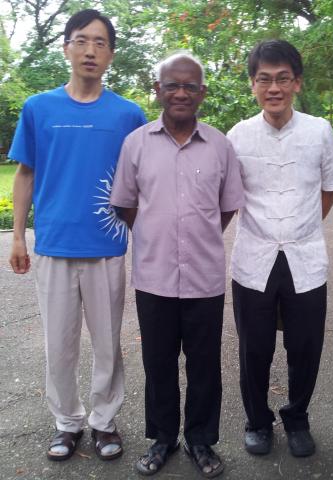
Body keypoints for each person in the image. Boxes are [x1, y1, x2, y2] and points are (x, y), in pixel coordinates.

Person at [8, 9, 146, 462]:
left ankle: (104, 422)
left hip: (107, 247)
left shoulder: (128, 114)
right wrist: (18, 237)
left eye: (101, 42)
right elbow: (25, 174)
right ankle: (67, 422)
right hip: (54, 245)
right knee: (59, 344)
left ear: (111, 54)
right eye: (82, 40)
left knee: (108, 344)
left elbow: (142, 183)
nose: (90, 50)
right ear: (66, 46)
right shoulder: (39, 108)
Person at [110, 52, 244, 477]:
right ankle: (163, 438)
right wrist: (156, 233)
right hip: (154, 277)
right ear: (158, 90)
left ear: (202, 92)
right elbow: (126, 204)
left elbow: (226, 208)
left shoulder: (221, 145)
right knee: (159, 363)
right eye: (172, 85)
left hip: (204, 279)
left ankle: (201, 441)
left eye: (190, 85)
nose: (181, 92)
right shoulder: (136, 144)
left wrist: (195, 238)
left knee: (205, 365)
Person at [227, 39, 333, 458]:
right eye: (264, 79)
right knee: (254, 347)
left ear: (296, 83)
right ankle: (257, 422)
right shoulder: (237, 135)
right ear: (253, 85)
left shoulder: (318, 132)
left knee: (306, 347)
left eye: (282, 79)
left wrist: (301, 225)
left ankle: (297, 417)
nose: (273, 87)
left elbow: (328, 191)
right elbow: (229, 196)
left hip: (305, 258)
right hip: (253, 258)